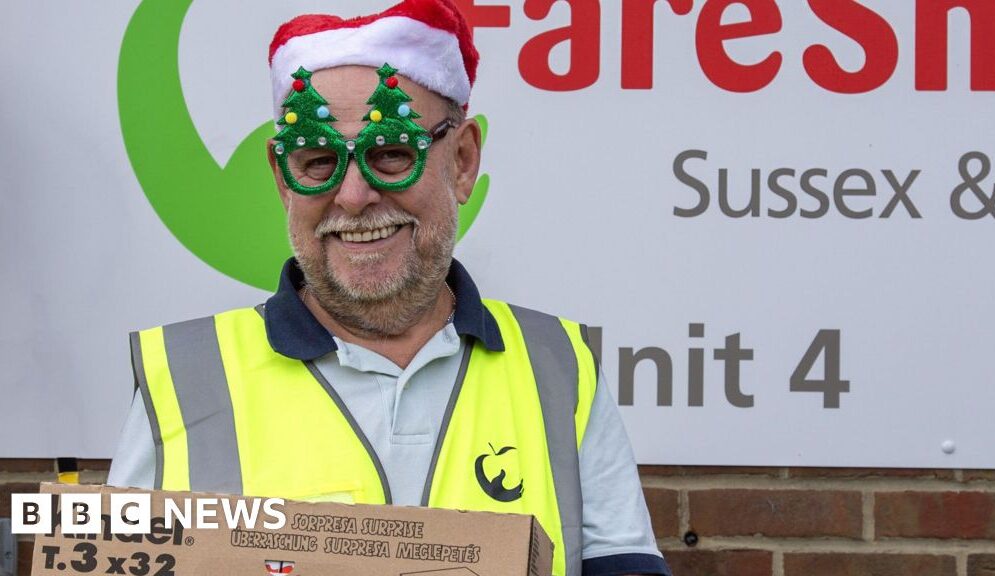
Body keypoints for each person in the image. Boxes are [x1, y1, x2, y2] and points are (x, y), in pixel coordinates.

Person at [108, 1, 670, 575]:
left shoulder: (559, 369)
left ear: (463, 160)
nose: (353, 197)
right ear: (282, 178)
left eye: (392, 154)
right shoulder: (180, 378)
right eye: (319, 160)